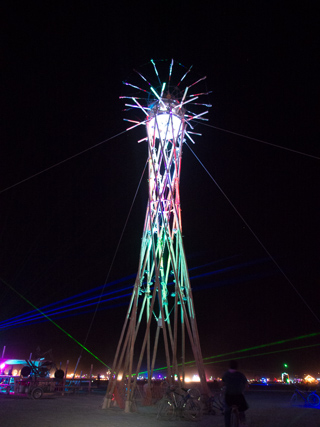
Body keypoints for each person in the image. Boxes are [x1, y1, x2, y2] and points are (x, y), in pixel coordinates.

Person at [222, 360, 249, 427]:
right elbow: (246, 385)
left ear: (229, 366)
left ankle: (227, 425)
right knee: (241, 409)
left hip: (229, 397)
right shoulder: (240, 375)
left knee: (227, 412)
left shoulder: (226, 374)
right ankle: (243, 422)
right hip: (238, 396)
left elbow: (222, 384)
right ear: (237, 367)